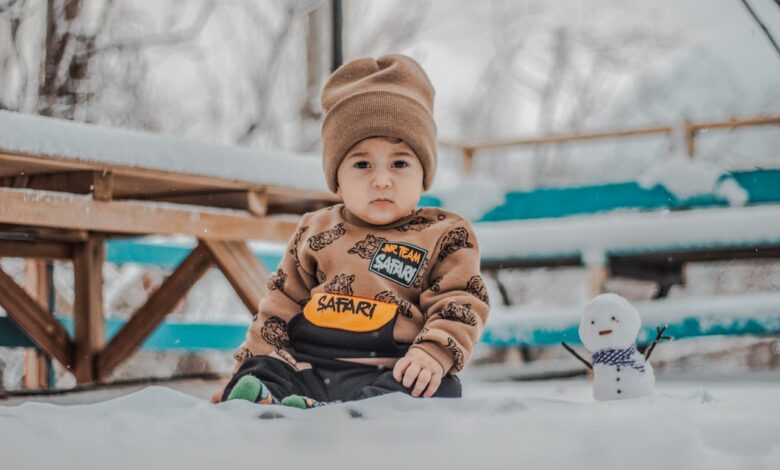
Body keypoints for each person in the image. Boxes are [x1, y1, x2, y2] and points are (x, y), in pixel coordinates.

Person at [213, 54, 490, 408]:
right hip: (308, 368)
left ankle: (347, 411)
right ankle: (265, 397)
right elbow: (279, 307)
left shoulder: (444, 234)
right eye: (362, 163)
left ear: (424, 174)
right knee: (263, 368)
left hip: (390, 371)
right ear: (336, 178)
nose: (381, 179)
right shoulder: (315, 229)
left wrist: (432, 354)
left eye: (400, 163)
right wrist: (242, 371)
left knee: (439, 387)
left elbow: (460, 302)